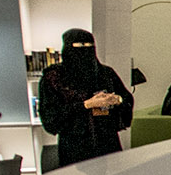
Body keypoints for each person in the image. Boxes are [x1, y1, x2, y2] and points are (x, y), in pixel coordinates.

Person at [36, 27, 133, 167]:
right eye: (80, 46)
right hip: (74, 146)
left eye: (89, 46)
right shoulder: (54, 78)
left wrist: (117, 100)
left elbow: (126, 99)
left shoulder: (106, 73)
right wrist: (86, 104)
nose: (85, 50)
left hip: (107, 142)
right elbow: (51, 116)